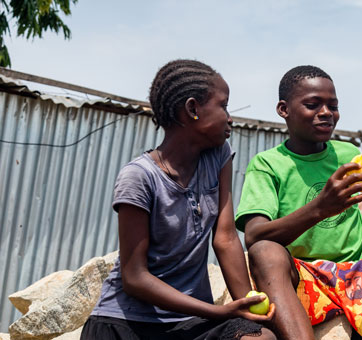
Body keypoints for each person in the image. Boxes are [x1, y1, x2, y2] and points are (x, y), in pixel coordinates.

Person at [82, 60, 275, 340]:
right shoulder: (139, 177)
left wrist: (249, 307)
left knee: (260, 338)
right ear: (193, 109)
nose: (230, 117)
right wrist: (217, 311)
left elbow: (225, 238)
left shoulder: (218, 155)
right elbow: (134, 277)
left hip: (189, 324)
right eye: (223, 106)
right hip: (125, 325)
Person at [235, 65, 362, 340]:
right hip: (304, 275)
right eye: (313, 105)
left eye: (332, 105)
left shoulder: (349, 154)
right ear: (283, 109)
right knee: (266, 252)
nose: (326, 113)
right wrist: (321, 207)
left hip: (358, 273)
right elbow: (254, 236)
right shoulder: (267, 164)